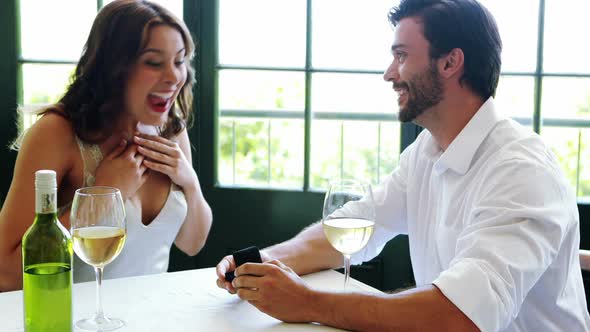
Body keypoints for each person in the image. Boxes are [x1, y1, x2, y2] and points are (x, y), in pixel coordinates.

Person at [216, 0, 590, 330]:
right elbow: (358, 225)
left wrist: (307, 303)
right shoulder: (427, 151)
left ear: (450, 62)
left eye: (401, 56)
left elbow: (459, 318)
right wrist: (264, 262)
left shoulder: (521, 169)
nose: (389, 73)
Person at [0, 0, 212, 290]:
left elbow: (192, 244)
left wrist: (190, 183)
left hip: (156, 316)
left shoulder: (171, 129)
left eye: (179, 61)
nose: (174, 77)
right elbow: (6, 272)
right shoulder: (55, 134)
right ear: (113, 67)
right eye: (153, 62)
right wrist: (97, 201)